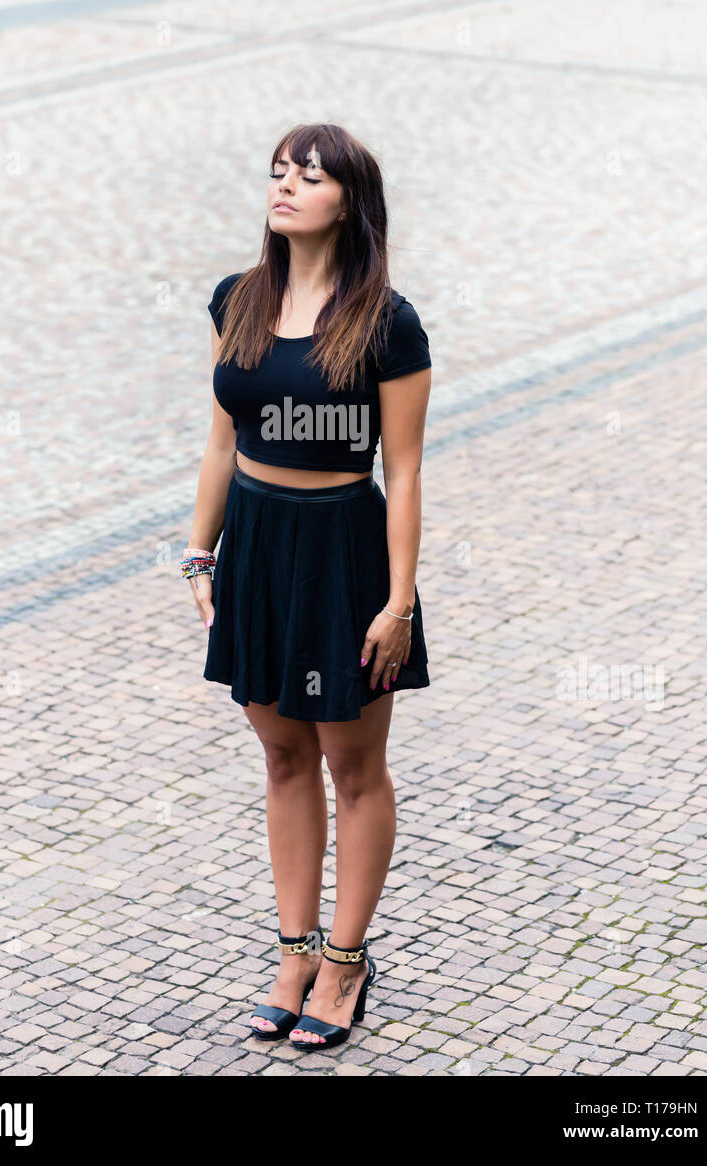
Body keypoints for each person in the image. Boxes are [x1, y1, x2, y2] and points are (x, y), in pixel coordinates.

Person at [181, 122, 432, 1052]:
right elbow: (219, 439)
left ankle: (346, 963)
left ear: (349, 202)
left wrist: (398, 600)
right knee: (283, 758)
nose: (285, 185)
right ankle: (293, 953)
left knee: (350, 765)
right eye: (279, 171)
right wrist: (200, 555)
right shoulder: (236, 301)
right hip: (254, 545)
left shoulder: (387, 322)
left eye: (310, 175)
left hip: (342, 554)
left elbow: (402, 472)